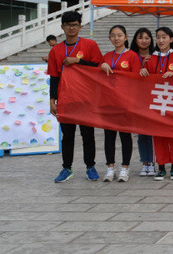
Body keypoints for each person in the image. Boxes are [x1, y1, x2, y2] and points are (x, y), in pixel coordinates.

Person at [49, 11, 103, 183]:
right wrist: (52, 101)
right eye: (68, 25)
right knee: (67, 136)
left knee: (88, 135)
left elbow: (98, 66)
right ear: (62, 27)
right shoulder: (56, 50)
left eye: (74, 24)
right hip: (66, 99)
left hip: (86, 98)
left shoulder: (90, 45)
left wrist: (78, 61)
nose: (71, 28)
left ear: (80, 26)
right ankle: (67, 168)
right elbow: (54, 77)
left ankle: (90, 166)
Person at [141, 27, 173, 180]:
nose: (161, 40)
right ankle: (161, 167)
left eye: (164, 37)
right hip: (157, 102)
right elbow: (144, 78)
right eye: (158, 37)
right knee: (158, 136)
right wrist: (142, 70)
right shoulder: (151, 58)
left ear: (171, 39)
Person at [99, 25, 140, 182]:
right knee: (109, 136)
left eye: (119, 35)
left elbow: (136, 81)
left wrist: (132, 103)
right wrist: (101, 65)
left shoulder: (132, 56)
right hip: (108, 102)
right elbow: (99, 77)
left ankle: (125, 168)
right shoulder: (107, 56)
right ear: (109, 38)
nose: (116, 38)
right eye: (113, 35)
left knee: (125, 136)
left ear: (126, 37)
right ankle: (110, 168)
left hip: (125, 102)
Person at [131, 27, 156, 176]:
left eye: (147, 38)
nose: (144, 41)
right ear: (135, 40)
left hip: (153, 98)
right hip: (136, 99)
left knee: (152, 133)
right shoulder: (130, 56)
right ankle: (144, 163)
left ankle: (152, 162)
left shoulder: (156, 55)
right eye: (140, 38)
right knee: (141, 134)